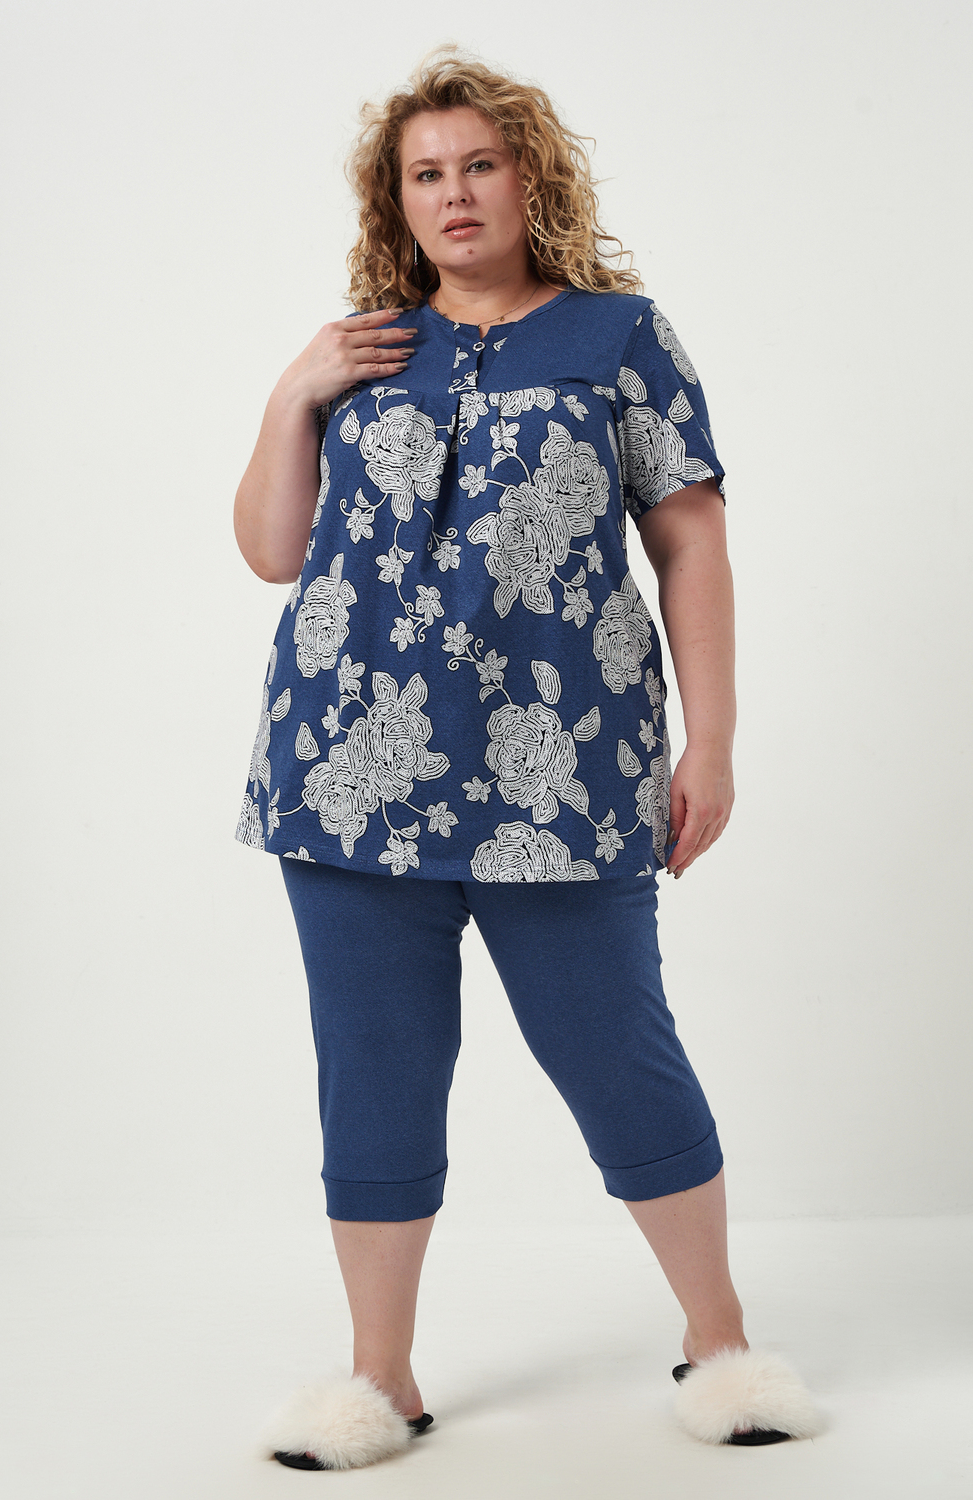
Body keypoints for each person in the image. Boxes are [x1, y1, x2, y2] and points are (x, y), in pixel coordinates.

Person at [232, 49, 819, 1472]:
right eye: (426, 173)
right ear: (398, 200)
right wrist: (295, 389)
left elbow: (691, 543)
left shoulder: (620, 336)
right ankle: (380, 1379)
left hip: (566, 780)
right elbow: (269, 551)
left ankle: (722, 1342)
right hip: (347, 779)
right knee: (374, 1073)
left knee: (616, 1052)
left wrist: (714, 740)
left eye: (479, 164)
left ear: (529, 177)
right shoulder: (361, 349)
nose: (456, 194)